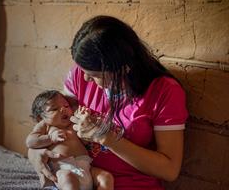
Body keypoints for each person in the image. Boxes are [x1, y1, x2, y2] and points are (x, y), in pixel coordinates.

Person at [28, 15, 188, 190]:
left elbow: (169, 170)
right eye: (82, 70)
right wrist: (33, 153)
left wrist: (105, 137)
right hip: (80, 178)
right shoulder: (80, 76)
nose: (85, 78)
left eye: (95, 74)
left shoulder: (164, 91)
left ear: (123, 67)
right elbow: (54, 121)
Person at [26, 90, 113, 190]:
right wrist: (50, 138)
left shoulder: (73, 124)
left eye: (66, 106)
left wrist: (85, 122)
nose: (63, 109)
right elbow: (30, 142)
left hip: (86, 168)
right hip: (63, 169)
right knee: (68, 179)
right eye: (54, 109)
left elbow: (86, 141)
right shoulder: (46, 126)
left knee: (106, 177)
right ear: (40, 118)